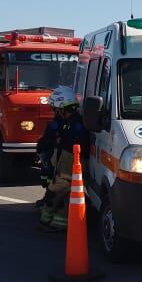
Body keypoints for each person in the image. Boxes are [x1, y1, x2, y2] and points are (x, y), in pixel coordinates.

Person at [37, 86, 90, 232]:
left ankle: (48, 221)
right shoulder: (67, 123)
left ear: (62, 107)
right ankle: (57, 222)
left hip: (67, 170)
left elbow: (68, 148)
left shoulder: (75, 127)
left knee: (54, 193)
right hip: (63, 169)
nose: (54, 111)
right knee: (63, 197)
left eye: (56, 108)